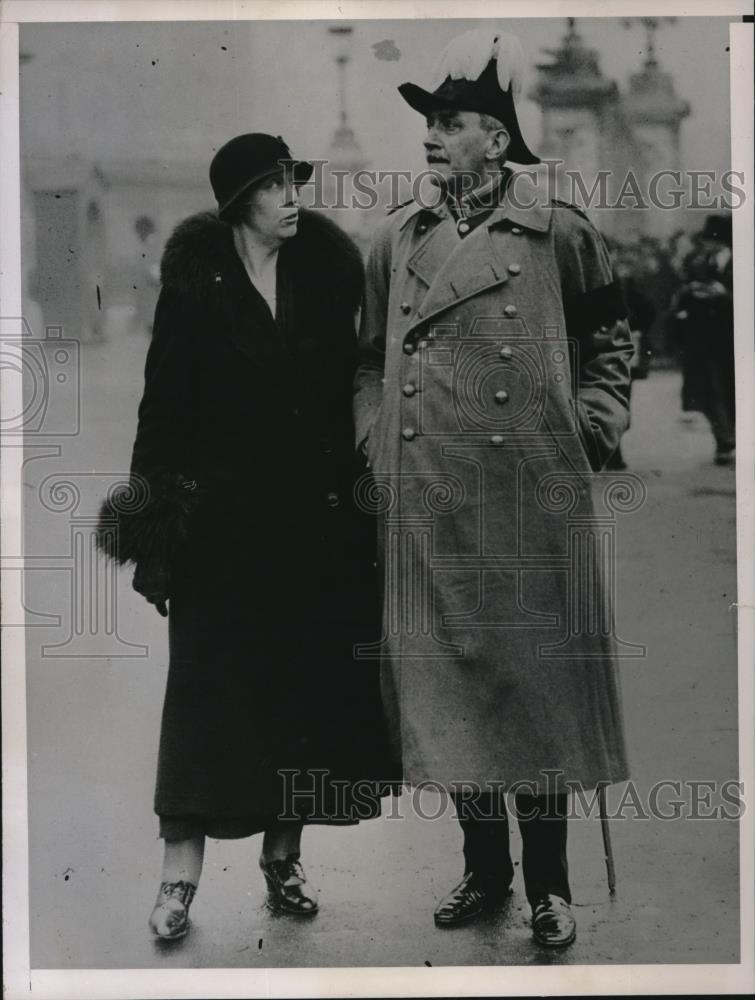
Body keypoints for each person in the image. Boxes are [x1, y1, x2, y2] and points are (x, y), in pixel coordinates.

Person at [354, 29, 633, 948]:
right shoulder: (397, 237)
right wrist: (370, 436)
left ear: (498, 141)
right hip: (427, 489)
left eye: (451, 123)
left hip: (528, 491)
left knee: (534, 684)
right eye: (429, 125)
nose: (432, 138)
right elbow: (364, 360)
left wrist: (594, 422)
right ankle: (483, 871)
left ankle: (549, 887)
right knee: (451, 683)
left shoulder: (557, 227)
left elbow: (611, 334)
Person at [98, 133, 390, 940]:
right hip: (221, 535)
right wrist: (154, 531)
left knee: (298, 690)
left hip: (316, 525)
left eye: (294, 179)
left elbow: (356, 387)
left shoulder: (328, 272)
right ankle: (178, 879)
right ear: (239, 204)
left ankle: (282, 859)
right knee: (204, 695)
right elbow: (162, 414)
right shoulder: (195, 283)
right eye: (273, 186)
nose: (292, 195)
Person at [669, 213, 735, 465]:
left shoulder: (738, 261)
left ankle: (728, 436)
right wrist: (691, 292)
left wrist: (724, 294)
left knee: (727, 390)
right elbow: (683, 294)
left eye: (711, 241)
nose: (707, 246)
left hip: (729, 336)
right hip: (704, 337)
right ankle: (724, 439)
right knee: (709, 390)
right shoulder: (700, 261)